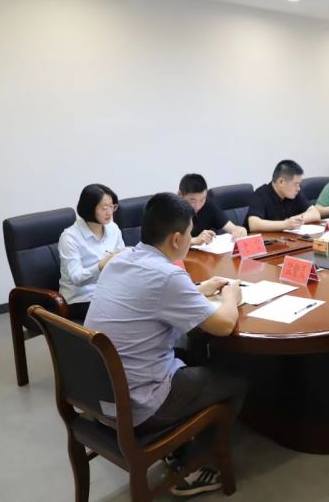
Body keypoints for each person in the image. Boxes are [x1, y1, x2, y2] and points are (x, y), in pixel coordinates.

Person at [86, 192, 246, 497]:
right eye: (190, 233)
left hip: (98, 394)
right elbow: (224, 325)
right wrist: (230, 296)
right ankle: (196, 467)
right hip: (137, 404)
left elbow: (151, 297)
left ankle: (179, 445)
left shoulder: (121, 260)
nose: (191, 238)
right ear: (176, 239)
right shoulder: (168, 275)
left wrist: (197, 290)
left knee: (188, 351)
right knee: (236, 381)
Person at [58, 183, 125, 320]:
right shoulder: (69, 237)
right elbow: (77, 278)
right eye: (104, 208)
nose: (109, 212)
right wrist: (101, 266)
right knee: (123, 312)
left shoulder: (113, 228)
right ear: (89, 208)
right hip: (81, 298)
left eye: (112, 206)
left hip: (109, 292)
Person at [246, 160, 321, 232]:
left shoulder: (295, 193)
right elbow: (253, 224)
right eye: (296, 184)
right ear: (281, 182)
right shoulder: (261, 194)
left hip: (287, 238)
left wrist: (294, 221)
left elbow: (315, 213)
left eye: (299, 184)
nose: (298, 188)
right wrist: (285, 224)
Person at [178, 173, 247, 245]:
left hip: (204, 250)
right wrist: (195, 240)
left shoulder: (208, 204)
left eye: (202, 200)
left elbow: (231, 227)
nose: (198, 206)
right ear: (180, 195)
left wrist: (239, 230)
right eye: (193, 201)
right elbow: (172, 242)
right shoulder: (173, 210)